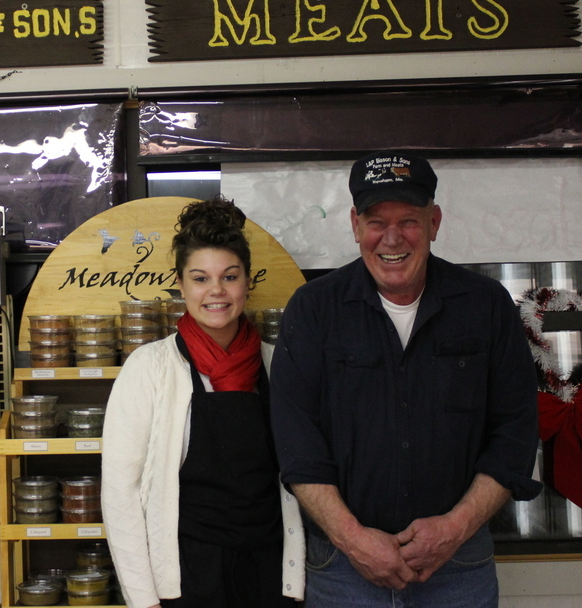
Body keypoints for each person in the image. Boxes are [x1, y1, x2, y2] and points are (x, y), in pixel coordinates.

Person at [269, 151, 541, 607]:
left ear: (434, 222)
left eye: (409, 221)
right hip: (342, 571)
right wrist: (354, 540)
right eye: (376, 221)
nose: (391, 238)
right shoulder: (313, 309)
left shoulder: (486, 306)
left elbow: (515, 434)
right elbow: (296, 446)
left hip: (459, 569)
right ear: (355, 224)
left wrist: (454, 529)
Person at [102, 197, 305, 608]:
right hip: (188, 576)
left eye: (230, 277)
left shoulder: (275, 364)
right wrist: (143, 599)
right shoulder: (150, 368)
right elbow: (121, 494)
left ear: (248, 281)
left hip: (269, 571)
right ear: (180, 284)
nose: (216, 291)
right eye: (200, 278)